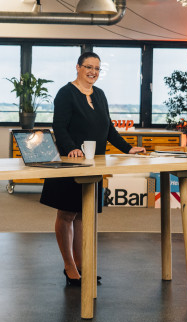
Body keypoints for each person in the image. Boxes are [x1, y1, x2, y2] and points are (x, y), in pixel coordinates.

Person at [40, 51, 145, 286]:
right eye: (88, 67)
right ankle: (69, 266)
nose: (93, 72)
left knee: (82, 214)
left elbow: (108, 129)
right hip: (71, 162)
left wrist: (128, 149)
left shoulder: (100, 95)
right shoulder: (66, 93)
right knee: (66, 214)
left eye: (97, 68)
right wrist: (70, 148)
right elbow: (59, 126)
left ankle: (80, 264)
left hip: (93, 164)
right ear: (77, 67)